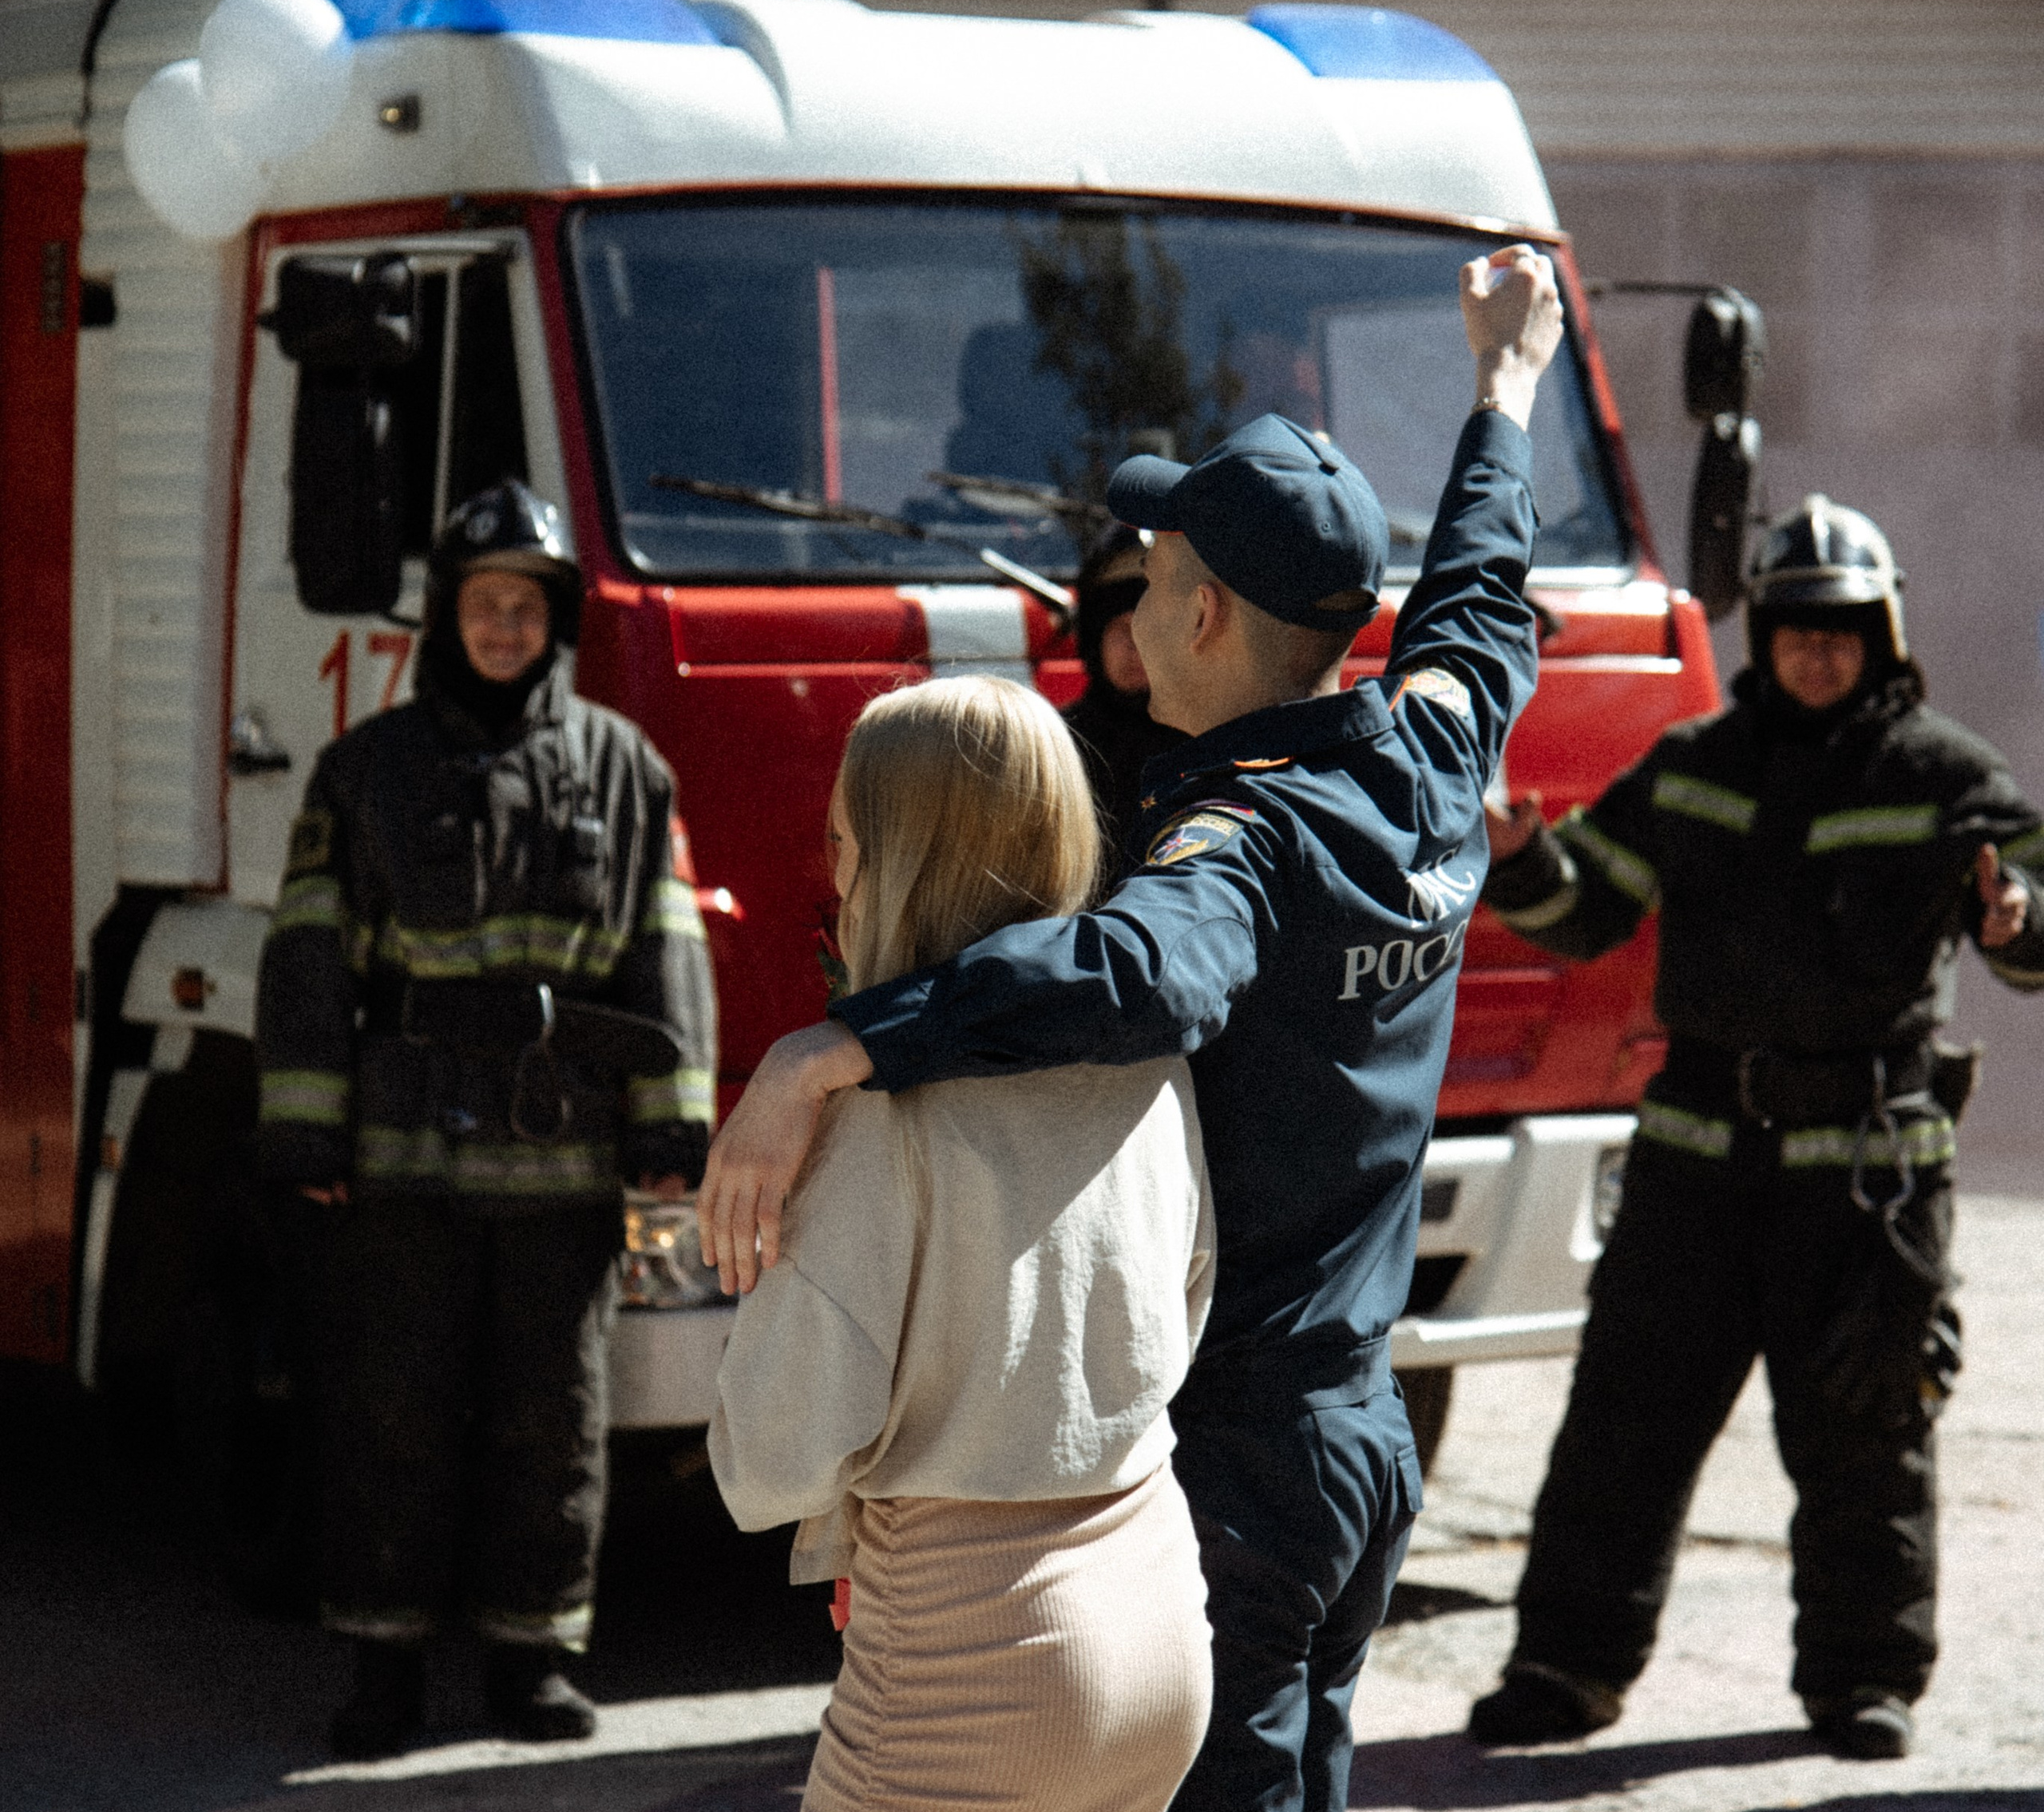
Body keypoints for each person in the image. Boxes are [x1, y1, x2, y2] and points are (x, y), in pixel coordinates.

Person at [699, 248, 1566, 1812]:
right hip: (1359, 1438)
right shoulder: (1430, 755)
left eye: (1155, 571)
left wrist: (834, 1044)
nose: (1133, 598)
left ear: (1208, 612)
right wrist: (1502, 386)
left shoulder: (1237, 838)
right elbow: (1479, 587)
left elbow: (1145, 975)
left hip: (1235, 1459)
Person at [1465, 496, 2044, 1762]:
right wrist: (1521, 863)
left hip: (1868, 1179)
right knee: (1623, 1423)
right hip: (1694, 1173)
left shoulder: (1949, 776)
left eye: (1842, 631)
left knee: (1865, 1432)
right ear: (1766, 637)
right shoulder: (1697, 765)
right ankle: (1565, 1669)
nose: (1818, 652)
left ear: (1883, 636)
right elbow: (1587, 911)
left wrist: (2020, 923)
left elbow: (2038, 907)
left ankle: (1862, 1683)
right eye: (1795, 629)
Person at [252, 480, 719, 1758]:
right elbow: (306, 962)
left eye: (525, 605)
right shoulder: (365, 773)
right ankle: (383, 1673)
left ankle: (534, 1663)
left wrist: (670, 1127)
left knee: (554, 1422)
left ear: (556, 620)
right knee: (388, 1414)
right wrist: (305, 1131)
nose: (504, 627)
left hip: (563, 1163)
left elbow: (665, 957)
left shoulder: (628, 772)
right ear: (445, 619)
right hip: (403, 1161)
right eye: (482, 604)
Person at [709, 676, 1215, 1812]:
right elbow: (1186, 1302)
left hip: (972, 1664)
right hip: (1159, 1613)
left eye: (844, 845)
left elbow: (773, 1457)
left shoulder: (869, 1118)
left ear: (897, 864)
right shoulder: (1145, 1061)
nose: (831, 877)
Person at [1061, 526, 1183, 872]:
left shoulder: (1214, 745)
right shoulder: (1058, 750)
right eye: (1119, 628)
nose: (1136, 645)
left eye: (1151, 628)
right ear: (1091, 641)